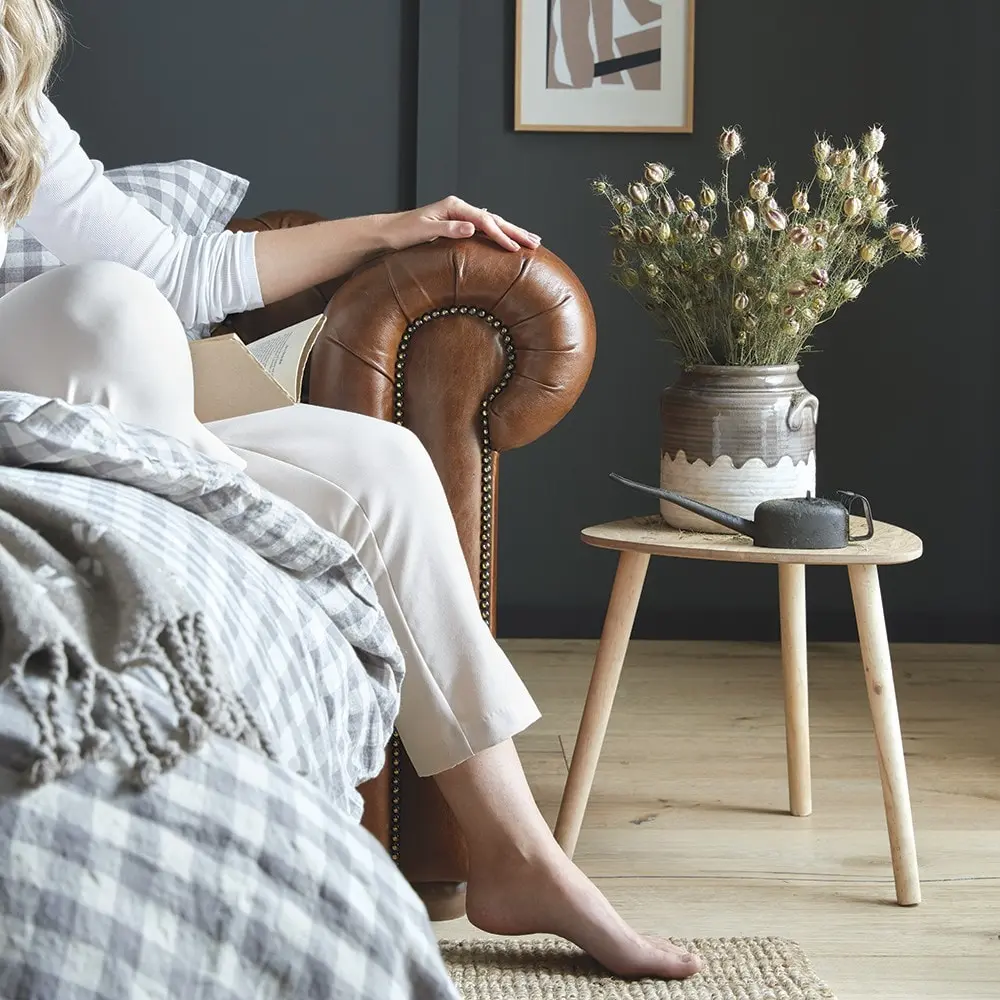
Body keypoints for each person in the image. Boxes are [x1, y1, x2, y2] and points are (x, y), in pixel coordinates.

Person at [0, 0, 701, 981]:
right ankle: (206, 548)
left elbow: (174, 266)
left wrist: (395, 229)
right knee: (104, 306)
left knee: (381, 465)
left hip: (109, 416)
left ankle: (515, 855)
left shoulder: (13, 98)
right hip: (47, 404)